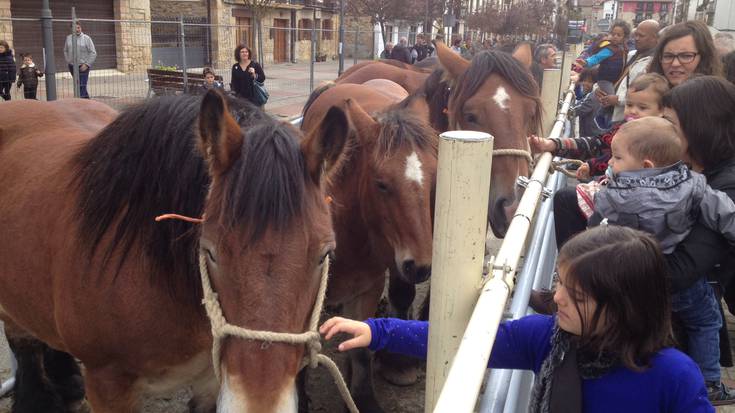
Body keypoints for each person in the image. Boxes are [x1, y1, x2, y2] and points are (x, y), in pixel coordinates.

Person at [321, 225, 714, 413]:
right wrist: (377, 330)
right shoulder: (546, 338)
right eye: (558, 282)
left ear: (623, 308)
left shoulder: (675, 377)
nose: (554, 297)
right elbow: (462, 340)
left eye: (575, 295)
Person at [661, 76, 735, 403]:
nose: (664, 134)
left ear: (701, 127)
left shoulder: (725, 186)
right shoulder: (693, 168)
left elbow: (680, 270)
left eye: (671, 126)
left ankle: (711, 385)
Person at [590, 117, 735, 253]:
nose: (610, 162)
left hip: (624, 262)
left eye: (617, 157)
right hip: (668, 257)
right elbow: (725, 214)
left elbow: (596, 234)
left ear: (646, 165)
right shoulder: (694, 186)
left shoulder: (610, 196)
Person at [598, 19, 660, 123]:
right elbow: (608, 72)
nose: (636, 38)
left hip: (629, 119)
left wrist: (618, 100)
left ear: (654, 38)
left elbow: (647, 95)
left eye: (641, 36)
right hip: (613, 114)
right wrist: (598, 89)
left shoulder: (654, 63)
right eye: (635, 35)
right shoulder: (630, 54)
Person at [648, 20, 722, 87]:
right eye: (668, 56)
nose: (675, 64)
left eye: (686, 56)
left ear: (704, 57)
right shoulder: (646, 97)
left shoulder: (720, 99)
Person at [64, 23, 96, 99]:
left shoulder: (86, 38)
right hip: (72, 66)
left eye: (78, 27)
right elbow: (65, 50)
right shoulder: (68, 38)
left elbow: (93, 53)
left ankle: (80, 105)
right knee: (79, 86)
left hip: (83, 66)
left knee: (81, 86)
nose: (77, 29)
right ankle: (88, 102)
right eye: (75, 28)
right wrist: (68, 60)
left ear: (81, 28)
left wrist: (87, 64)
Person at [572, 68, 606, 137]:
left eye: (590, 82)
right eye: (584, 80)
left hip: (592, 137)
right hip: (598, 135)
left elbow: (575, 110)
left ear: (596, 84)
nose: (585, 83)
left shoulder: (592, 96)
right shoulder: (598, 94)